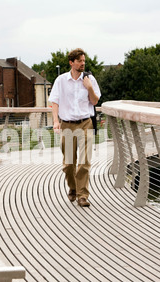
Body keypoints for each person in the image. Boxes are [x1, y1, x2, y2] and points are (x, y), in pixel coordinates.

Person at [49, 48, 101, 207]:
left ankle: (82, 195)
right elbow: (55, 102)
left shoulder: (90, 79)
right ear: (71, 63)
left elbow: (95, 101)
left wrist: (89, 87)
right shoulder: (61, 80)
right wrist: (55, 121)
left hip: (85, 123)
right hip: (67, 125)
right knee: (69, 163)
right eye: (79, 61)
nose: (82, 64)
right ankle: (73, 187)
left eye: (84, 61)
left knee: (84, 162)